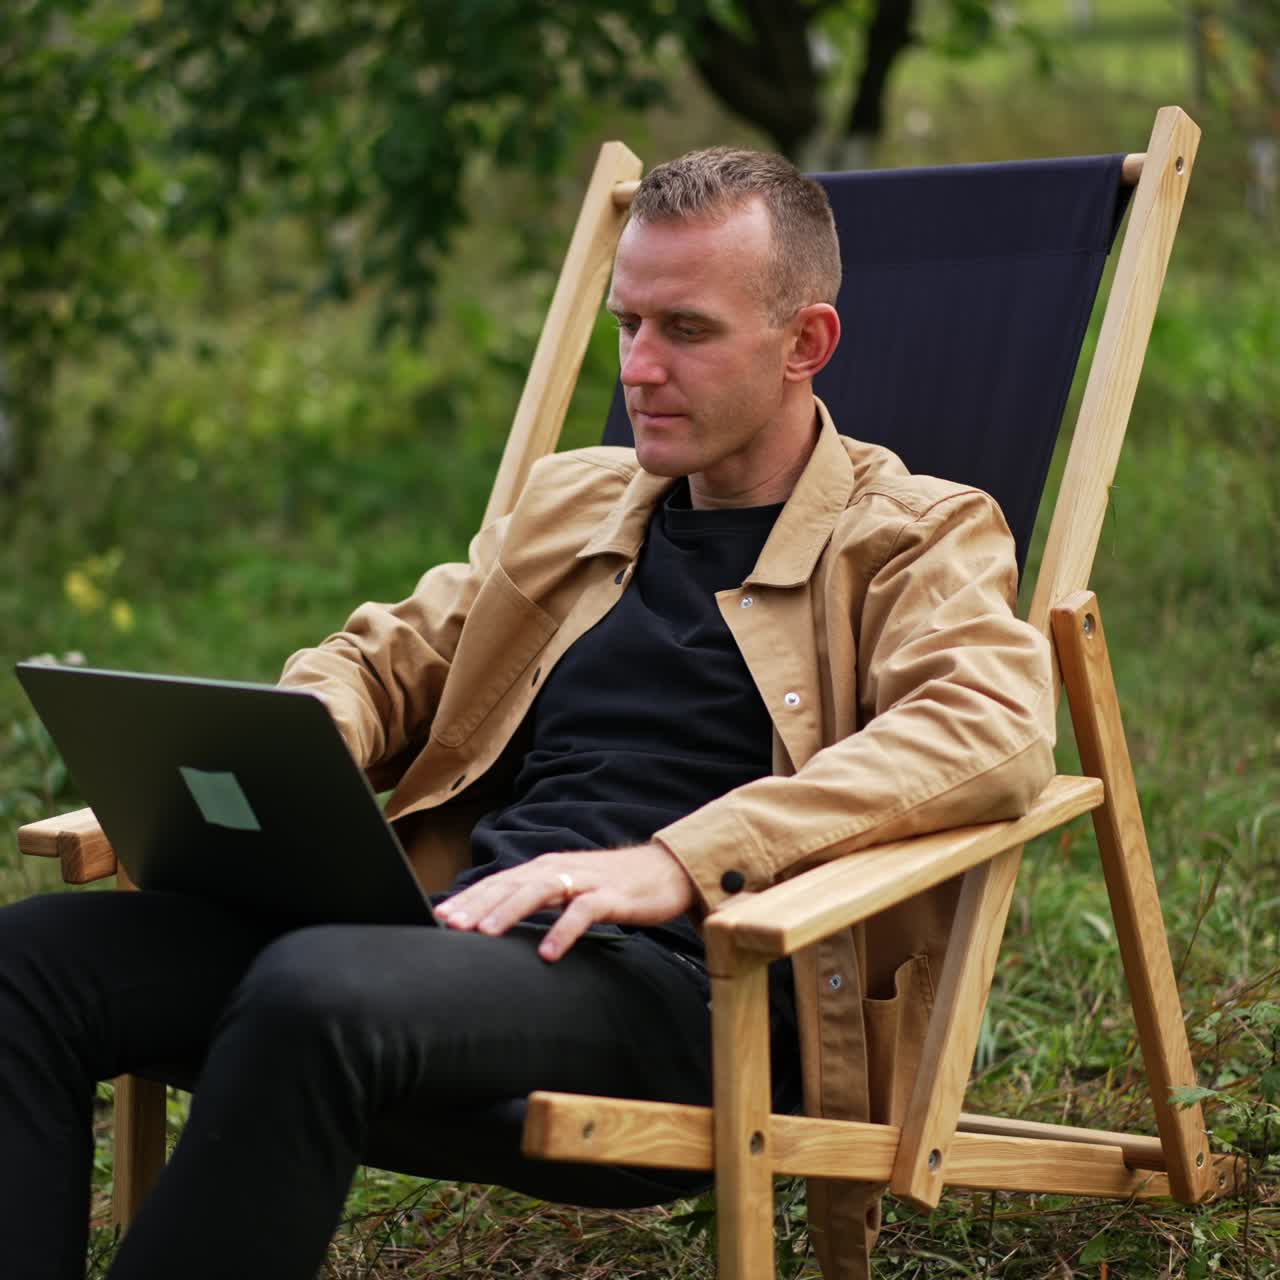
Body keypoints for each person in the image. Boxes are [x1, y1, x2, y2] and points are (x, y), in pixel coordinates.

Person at [0, 148, 1055, 1280]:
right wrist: (312, 734)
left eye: (685, 331)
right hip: (464, 943)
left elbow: (990, 726)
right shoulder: (575, 502)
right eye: (626, 324)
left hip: (686, 987)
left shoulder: (911, 535)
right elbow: (390, 654)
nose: (639, 369)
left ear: (805, 343)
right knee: (30, 962)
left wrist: (676, 862)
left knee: (313, 989)